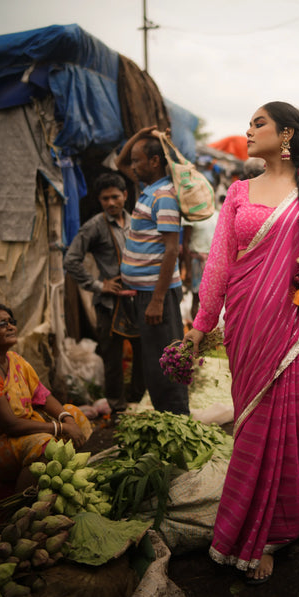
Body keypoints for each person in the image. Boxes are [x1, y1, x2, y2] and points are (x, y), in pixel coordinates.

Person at [185, 101, 299, 583]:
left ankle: (276, 532)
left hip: (298, 327)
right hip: (247, 324)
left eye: (257, 123)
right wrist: (202, 324)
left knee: (294, 428)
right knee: (252, 425)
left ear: (286, 135)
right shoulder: (240, 191)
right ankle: (247, 520)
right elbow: (221, 262)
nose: (247, 131)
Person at [116, 126, 189, 414]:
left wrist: (157, 299)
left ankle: (177, 421)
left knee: (167, 364)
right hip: (146, 293)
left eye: (138, 160)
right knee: (154, 361)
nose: (132, 166)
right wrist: (141, 134)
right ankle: (167, 418)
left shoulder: (164, 196)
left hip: (157, 295)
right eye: (133, 161)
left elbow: (173, 249)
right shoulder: (148, 191)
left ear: (155, 162)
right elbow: (118, 163)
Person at [63, 172, 145, 417]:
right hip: (109, 304)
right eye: (105, 198)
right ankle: (117, 409)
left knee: (142, 353)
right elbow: (71, 260)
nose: (110, 203)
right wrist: (99, 285)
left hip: (137, 300)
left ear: (125, 196)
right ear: (99, 200)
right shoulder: (95, 226)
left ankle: (138, 402)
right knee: (112, 358)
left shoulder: (135, 222)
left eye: (115, 197)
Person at [0, 303, 92, 493]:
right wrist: (59, 427)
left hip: (26, 428)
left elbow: (43, 397)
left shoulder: (16, 360)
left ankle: (62, 481)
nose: (11, 327)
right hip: (0, 439)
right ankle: (22, 505)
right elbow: (10, 425)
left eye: (12, 322)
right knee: (45, 444)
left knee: (74, 414)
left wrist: (67, 420)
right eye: (3, 323)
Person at [181, 211, 219, 321]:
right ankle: (196, 330)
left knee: (212, 300)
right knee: (196, 298)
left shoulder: (216, 214)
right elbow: (185, 243)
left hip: (212, 262)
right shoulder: (192, 216)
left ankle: (208, 331)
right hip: (196, 263)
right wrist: (188, 270)